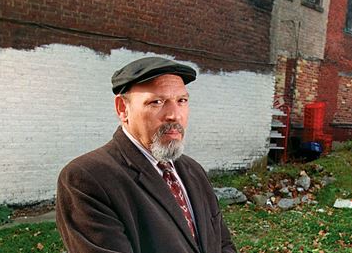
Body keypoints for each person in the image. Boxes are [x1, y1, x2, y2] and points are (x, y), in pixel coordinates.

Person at [56, 57, 237, 253]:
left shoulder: (193, 170)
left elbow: (222, 244)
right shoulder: (87, 178)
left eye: (181, 101)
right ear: (122, 109)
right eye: (157, 102)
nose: (174, 115)